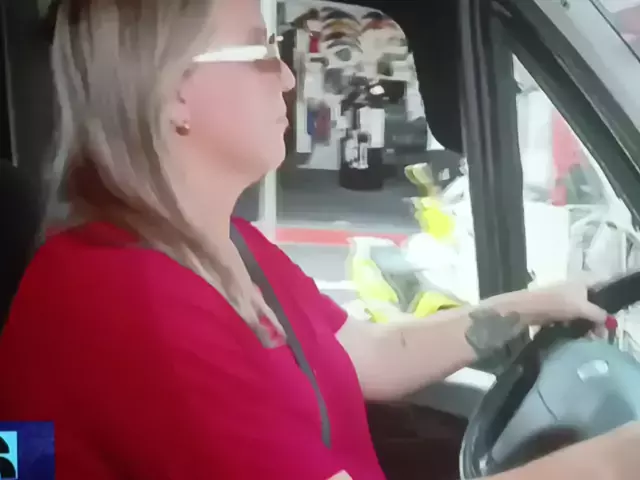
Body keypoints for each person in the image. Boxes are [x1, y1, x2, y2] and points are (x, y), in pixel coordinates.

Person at [0, 0, 638, 479]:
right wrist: (617, 460)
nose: (285, 77)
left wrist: (537, 305)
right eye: (258, 51)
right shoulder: (130, 303)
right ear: (172, 93)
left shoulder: (225, 245)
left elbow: (371, 355)